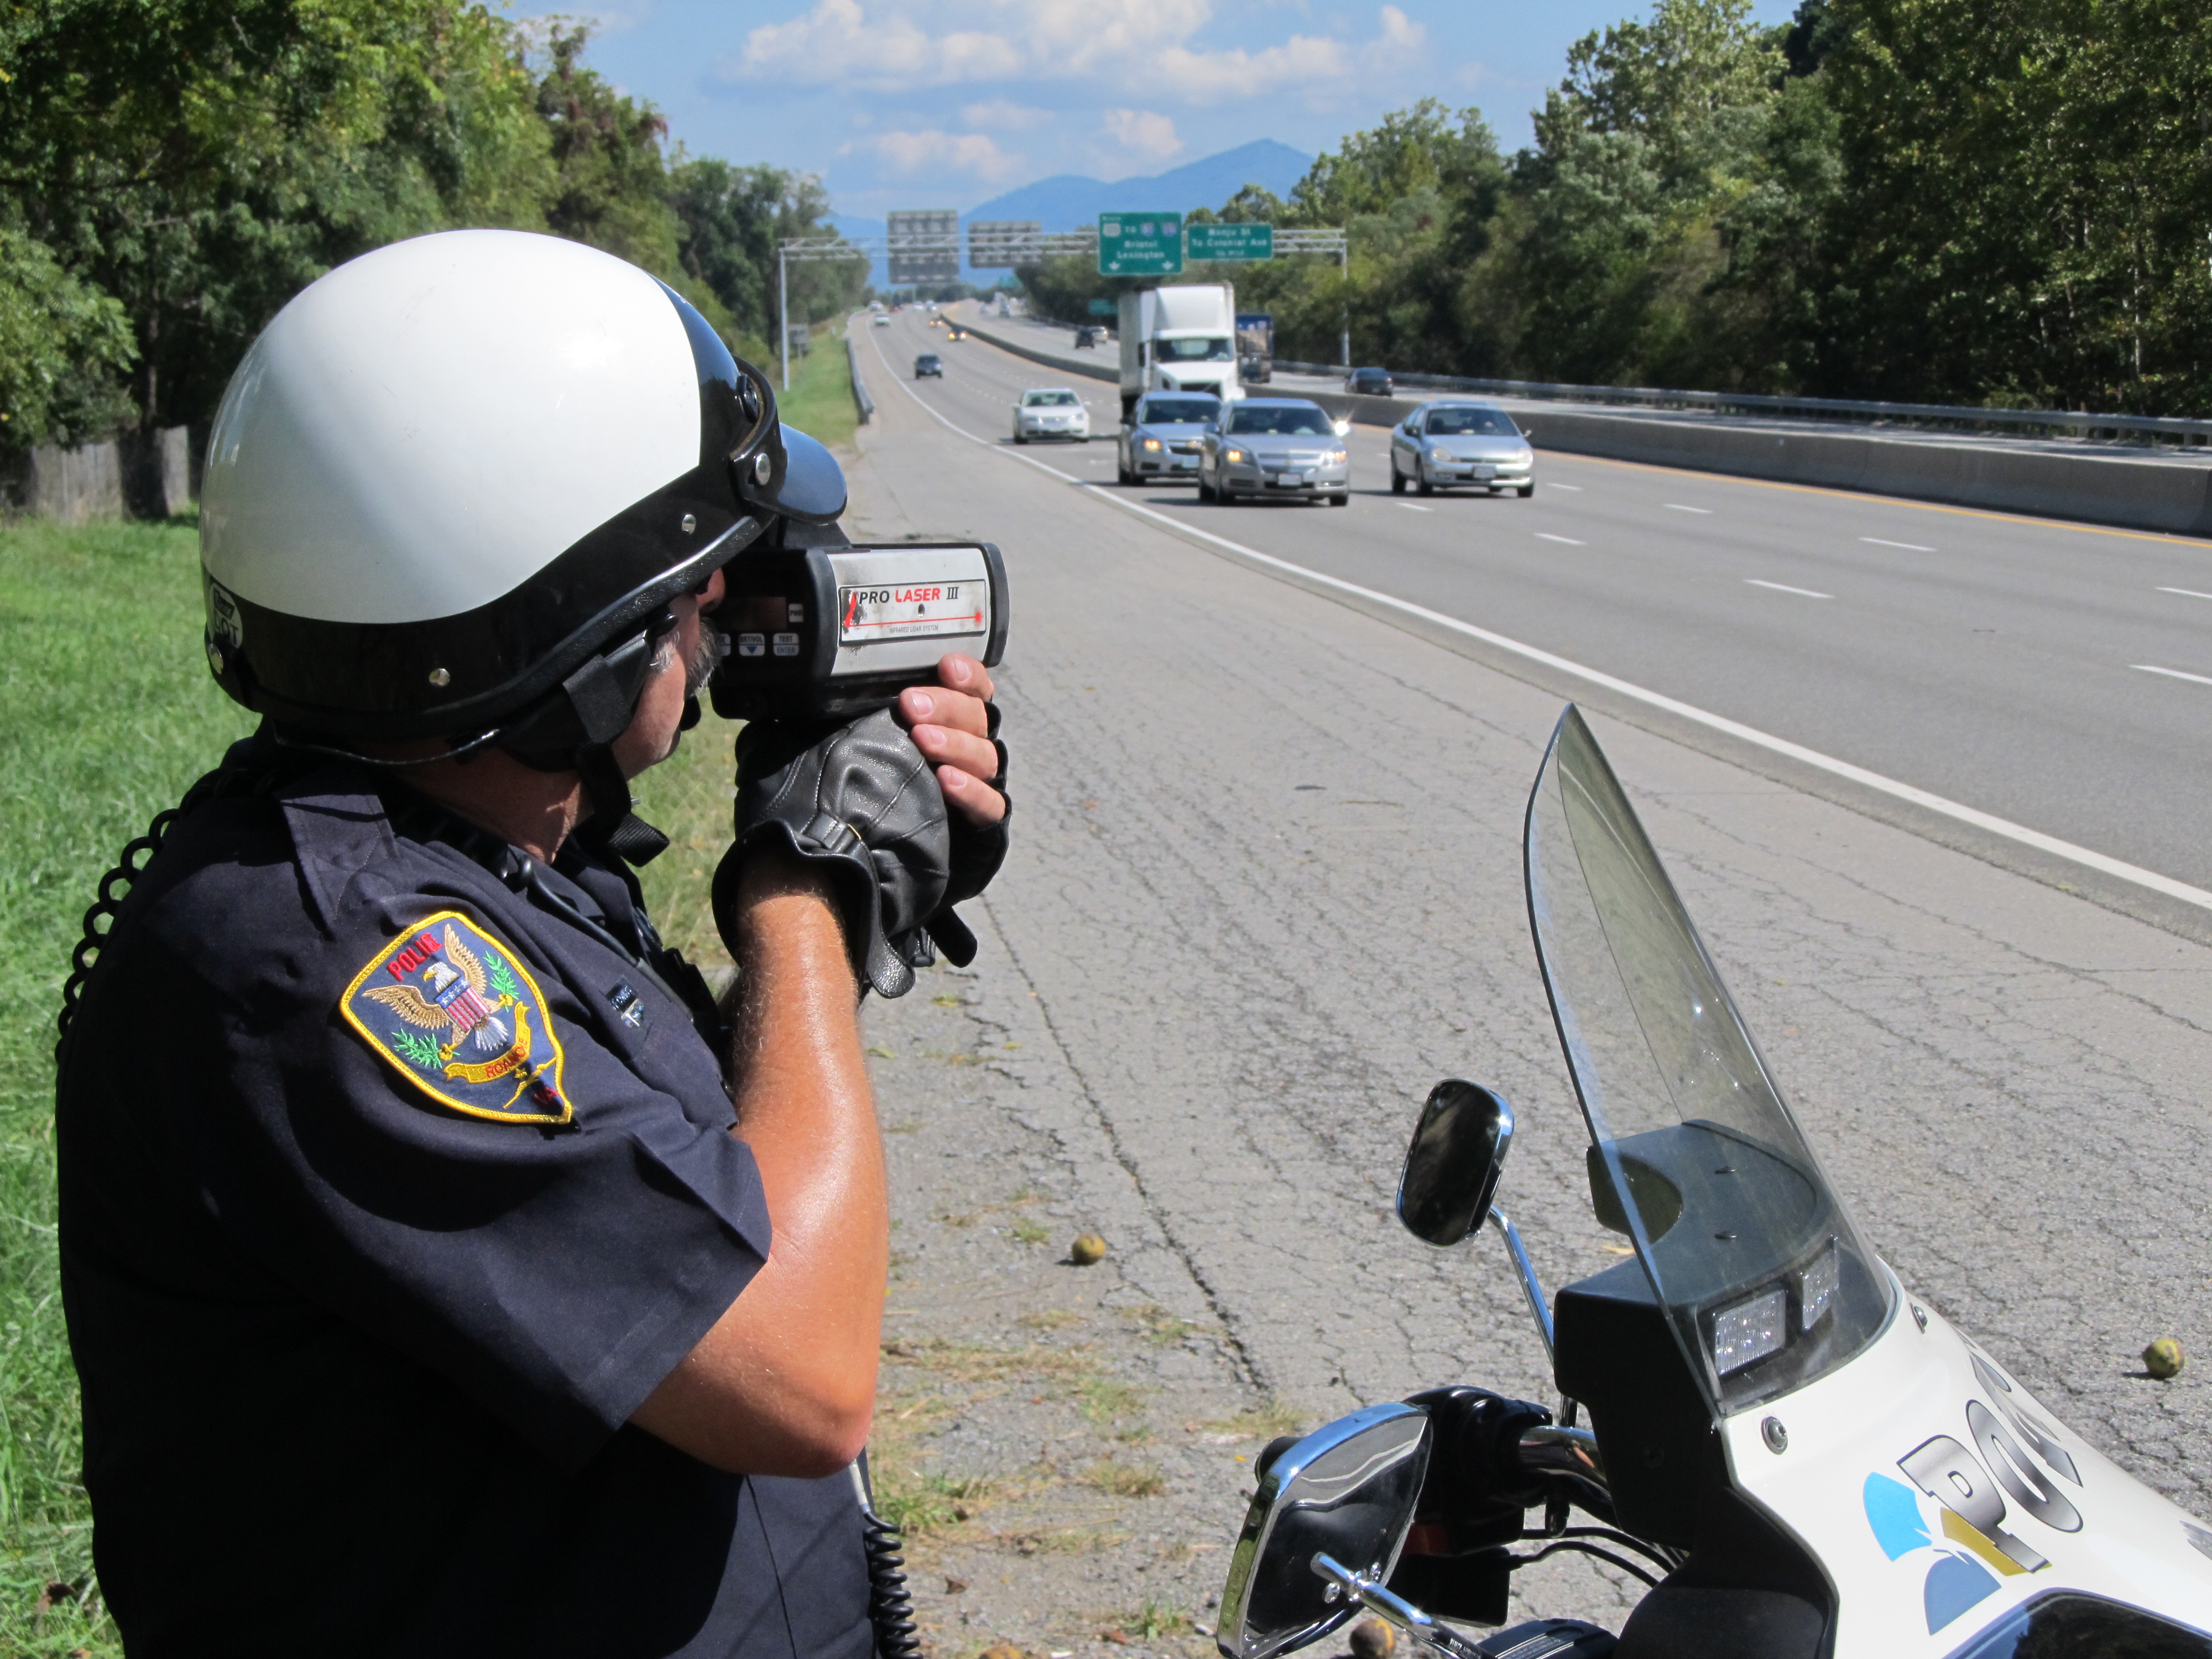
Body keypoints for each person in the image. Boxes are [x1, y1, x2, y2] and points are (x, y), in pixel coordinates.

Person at [53, 229, 1007, 1657]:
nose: (728, 615)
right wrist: (806, 901)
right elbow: (799, 1382)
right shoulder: (336, 967)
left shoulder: (483, 855)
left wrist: (880, 852)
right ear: (596, 634)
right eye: (700, 585)